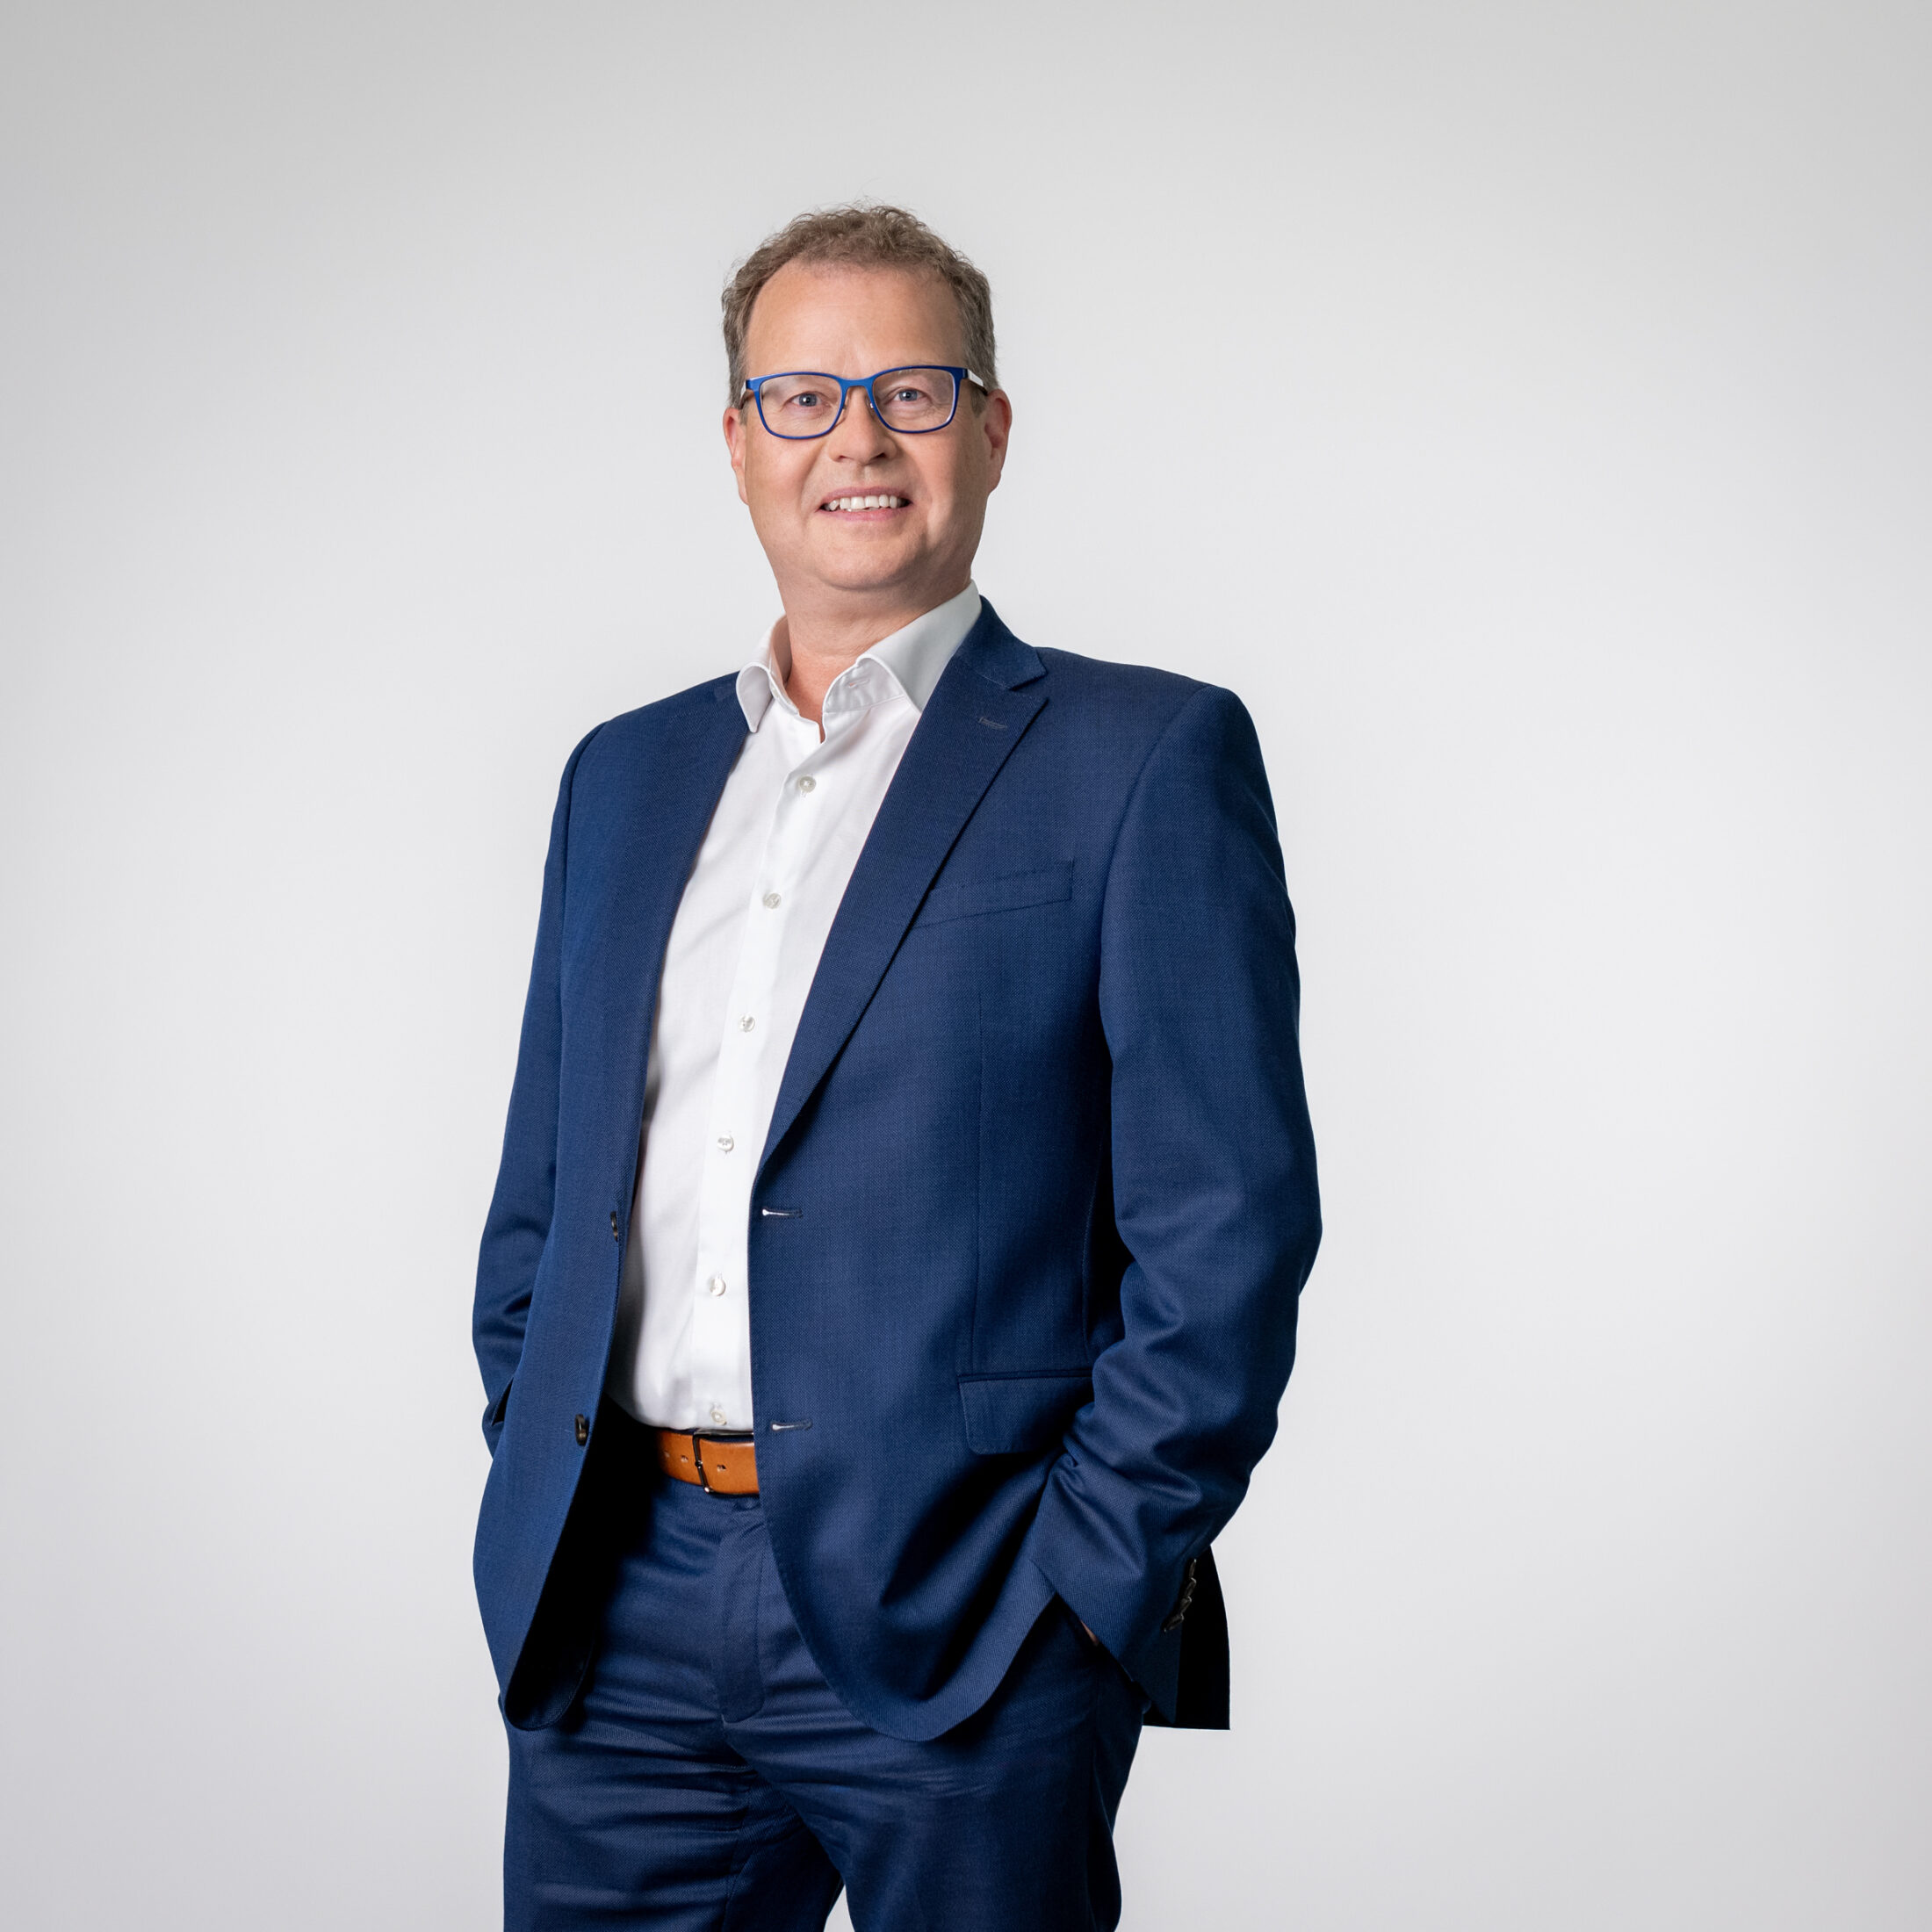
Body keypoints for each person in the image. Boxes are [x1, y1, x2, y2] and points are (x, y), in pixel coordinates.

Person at [472, 203, 1321, 1931]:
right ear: (737, 443)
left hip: (973, 1615)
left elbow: (1223, 1226)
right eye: (801, 397)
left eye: (909, 391)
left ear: (990, 429)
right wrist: (538, 1455)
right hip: (615, 1612)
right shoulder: (621, 777)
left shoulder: (1142, 755)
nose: (853, 439)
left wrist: (1083, 1584)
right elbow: (549, 1193)